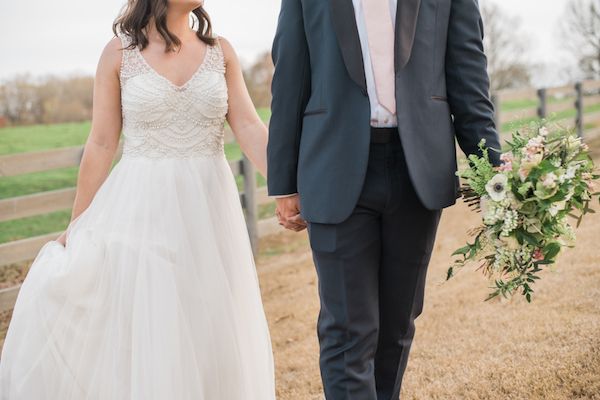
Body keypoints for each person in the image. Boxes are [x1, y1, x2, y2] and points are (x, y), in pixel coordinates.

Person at [0, 1, 276, 398]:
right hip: (142, 207)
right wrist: (77, 225)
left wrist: (291, 187)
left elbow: (250, 126)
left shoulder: (222, 51)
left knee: (211, 325)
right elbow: (101, 142)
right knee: (155, 326)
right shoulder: (118, 54)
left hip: (210, 213)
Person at [268, 0, 501, 398]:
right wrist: (284, 182)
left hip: (417, 168)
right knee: (346, 331)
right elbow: (290, 79)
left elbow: (469, 82)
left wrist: (498, 173)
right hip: (333, 166)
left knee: (396, 327)